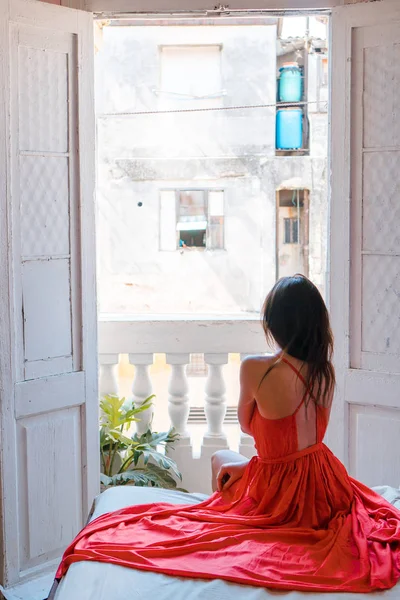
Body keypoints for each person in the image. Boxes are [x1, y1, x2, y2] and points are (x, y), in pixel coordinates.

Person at [56, 275, 400, 593]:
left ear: (276, 325)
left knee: (221, 458)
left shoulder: (256, 368)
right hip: (324, 482)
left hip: (278, 484)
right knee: (232, 462)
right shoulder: (325, 372)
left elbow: (249, 427)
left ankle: (226, 508)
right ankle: (235, 497)